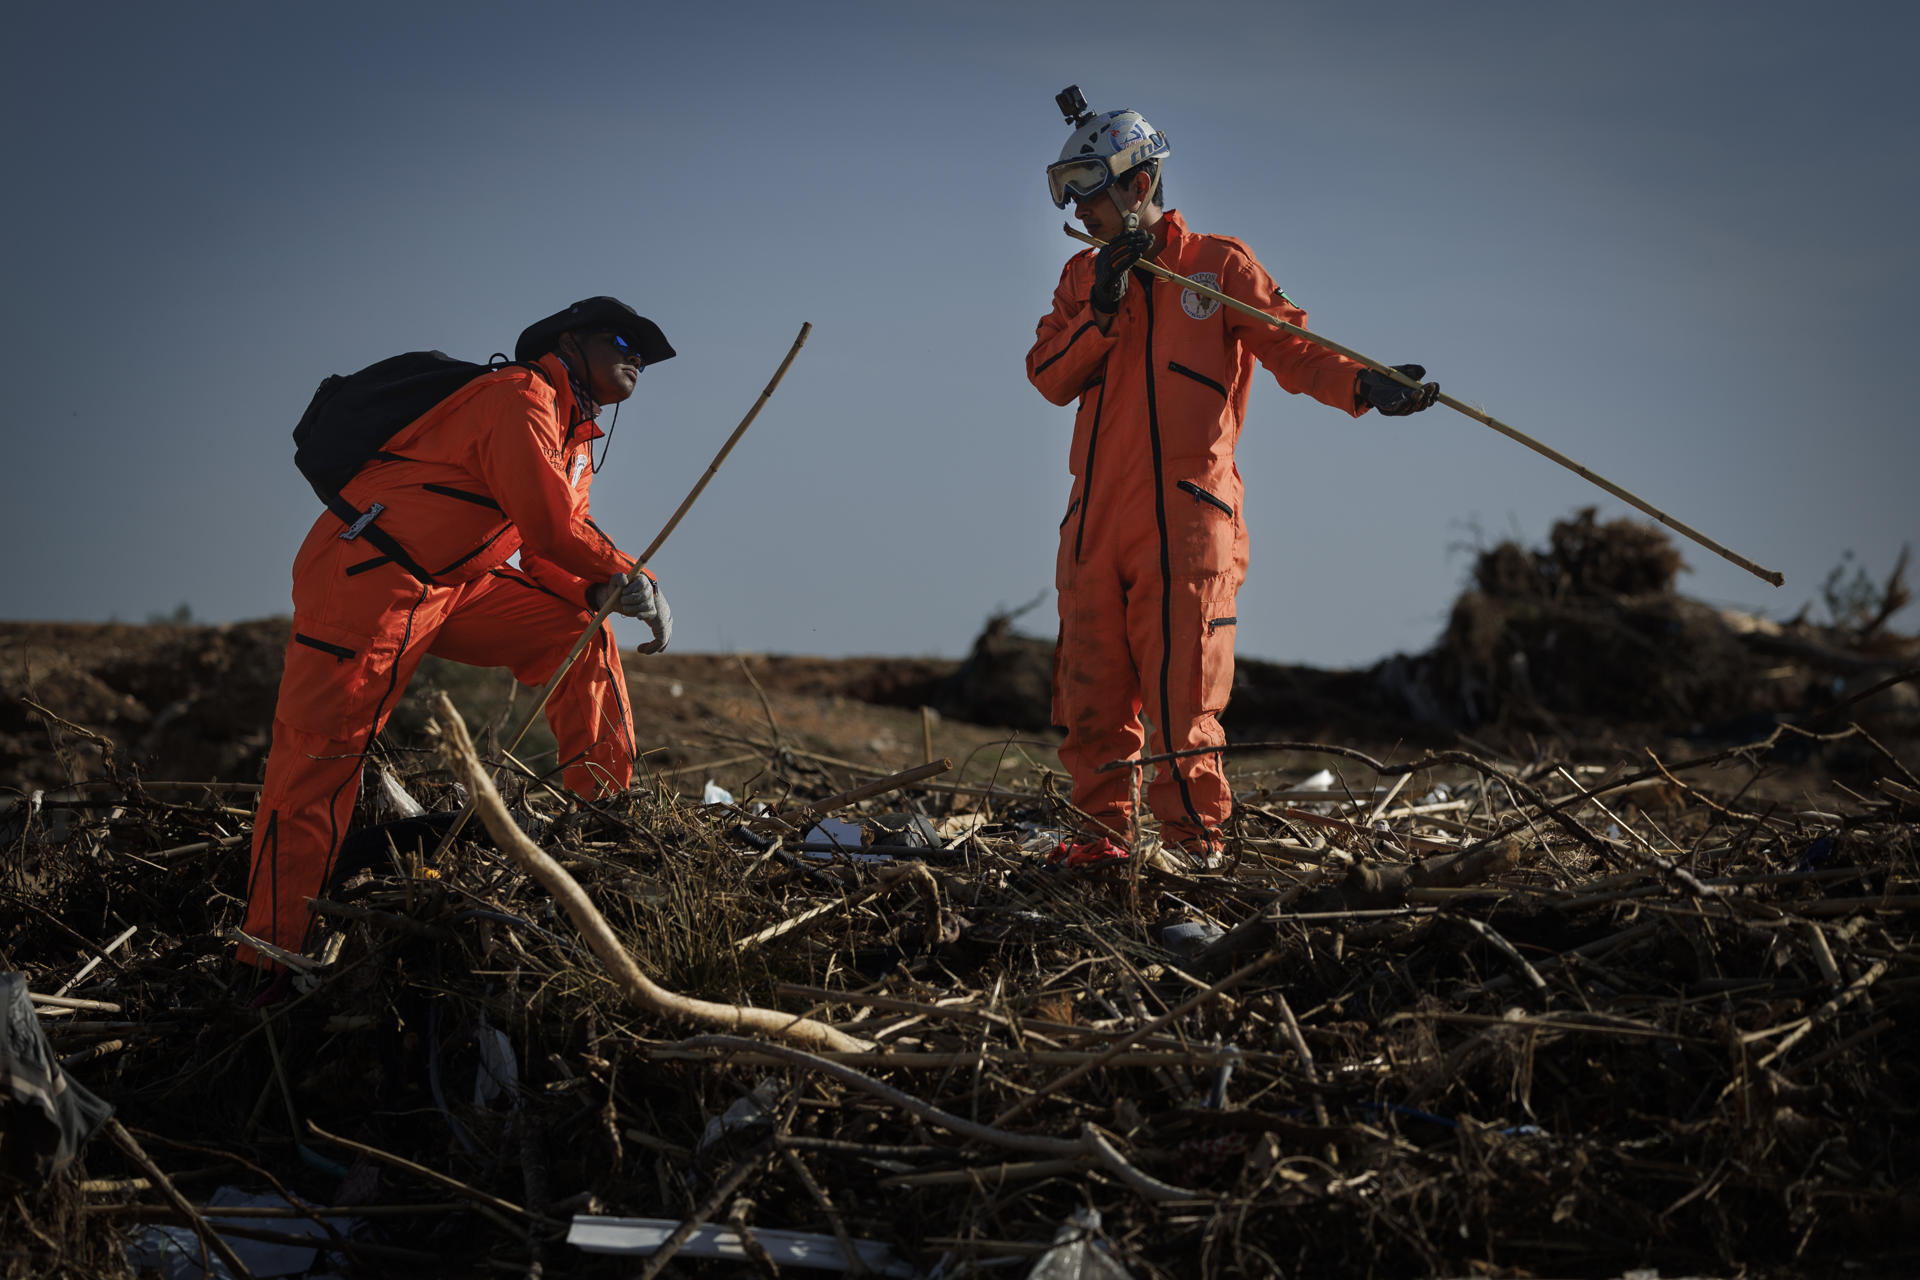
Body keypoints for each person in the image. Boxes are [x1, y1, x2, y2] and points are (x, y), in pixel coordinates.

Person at [1026, 93, 1439, 861]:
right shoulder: (1080, 281)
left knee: (1186, 699)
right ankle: (1100, 846)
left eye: (1087, 187)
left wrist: (1366, 383)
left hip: (1187, 526)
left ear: (1138, 183)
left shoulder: (1216, 267)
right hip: (1092, 529)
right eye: (1067, 191)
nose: (1078, 210)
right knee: (1091, 699)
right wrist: (1102, 311)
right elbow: (1047, 374)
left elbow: (1297, 348)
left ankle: (1191, 851)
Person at [239, 296, 676, 968]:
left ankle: (603, 823)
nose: (636, 356)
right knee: (317, 767)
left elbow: (546, 553)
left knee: (577, 631)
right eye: (622, 338)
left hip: (451, 585)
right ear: (569, 341)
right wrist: (629, 574)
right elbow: (552, 528)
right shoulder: (517, 396)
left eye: (644, 352)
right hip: (368, 578)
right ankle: (268, 962)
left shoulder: (576, 441)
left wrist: (599, 590)